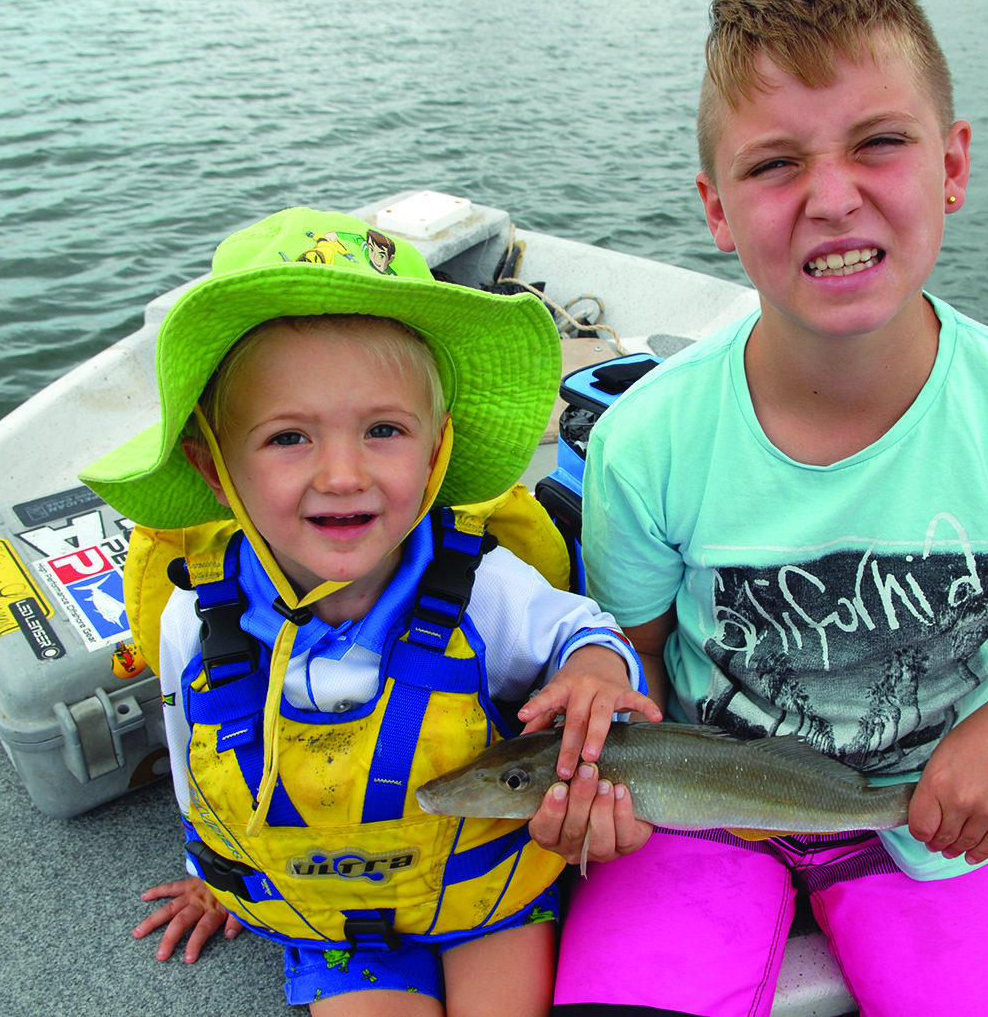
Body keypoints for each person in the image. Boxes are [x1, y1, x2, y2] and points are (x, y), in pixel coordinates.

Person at [529, 0, 988, 1015]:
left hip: (931, 832)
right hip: (697, 822)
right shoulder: (647, 439)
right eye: (775, 162)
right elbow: (643, 651)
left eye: (879, 142)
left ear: (952, 165)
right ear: (717, 208)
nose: (834, 194)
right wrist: (595, 748)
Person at [79, 207, 659, 1016]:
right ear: (216, 470)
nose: (343, 474)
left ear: (434, 455)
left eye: (383, 430)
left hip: (483, 894)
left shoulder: (482, 585)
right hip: (329, 924)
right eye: (289, 438)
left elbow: (577, 631)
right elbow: (195, 757)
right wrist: (215, 873)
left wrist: (596, 670)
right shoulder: (193, 619)